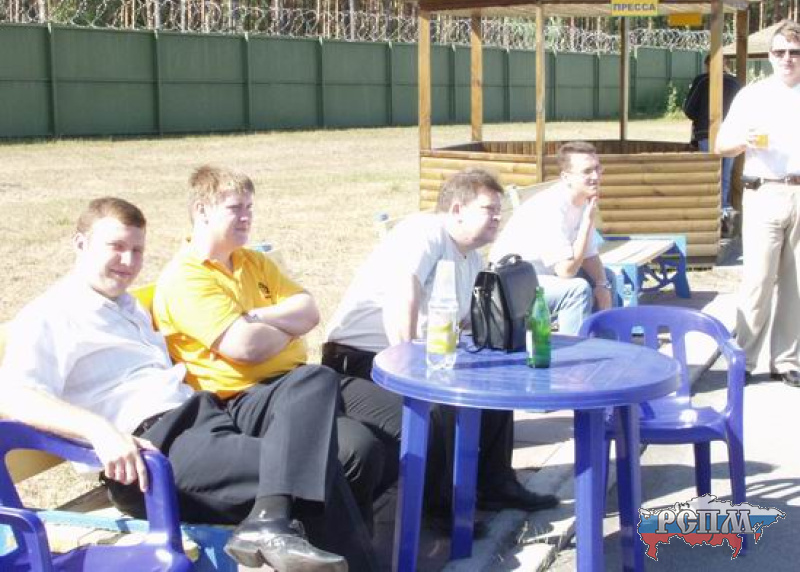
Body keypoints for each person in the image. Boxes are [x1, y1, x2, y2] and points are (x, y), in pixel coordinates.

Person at [0, 197, 362, 572]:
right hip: (150, 454)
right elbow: (16, 396)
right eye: (116, 247)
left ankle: (269, 523)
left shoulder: (127, 305)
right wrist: (100, 431)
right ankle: (282, 530)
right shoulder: (51, 313)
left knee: (316, 383)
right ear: (80, 243)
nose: (128, 261)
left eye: (137, 250)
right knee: (321, 471)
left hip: (203, 419)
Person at [152, 166, 401, 546]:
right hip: (246, 398)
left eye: (249, 207)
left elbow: (309, 311)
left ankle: (386, 524)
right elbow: (245, 348)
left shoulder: (253, 261)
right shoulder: (187, 276)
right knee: (357, 450)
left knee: (406, 419)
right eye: (235, 208)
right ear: (202, 210)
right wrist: (288, 328)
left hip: (302, 383)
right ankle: (337, 546)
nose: (246, 217)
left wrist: (257, 317)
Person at [323, 168, 560, 517]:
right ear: (457, 210)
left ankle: (496, 484)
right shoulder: (425, 232)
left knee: (492, 381)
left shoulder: (471, 257)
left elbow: (461, 321)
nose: (497, 217)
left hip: (418, 352)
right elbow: (403, 295)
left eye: (499, 210)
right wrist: (411, 371)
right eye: (489, 209)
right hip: (362, 359)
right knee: (438, 404)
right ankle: (441, 509)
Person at [716, 20, 800, 389]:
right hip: (763, 191)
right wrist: (742, 140)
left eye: (794, 52)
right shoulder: (753, 95)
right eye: (780, 52)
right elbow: (720, 146)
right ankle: (744, 360)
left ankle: (787, 361)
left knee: (796, 284)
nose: (787, 59)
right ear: (769, 55)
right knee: (758, 280)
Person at [489, 141, 613, 335]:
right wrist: (587, 223)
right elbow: (566, 271)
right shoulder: (552, 207)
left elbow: (588, 255)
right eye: (587, 171)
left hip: (541, 277)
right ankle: (574, 351)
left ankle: (607, 347)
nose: (595, 177)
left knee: (606, 278)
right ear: (566, 177)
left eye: (598, 169)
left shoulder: (582, 201)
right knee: (577, 290)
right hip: (509, 284)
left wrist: (602, 285)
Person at [682, 55, 741, 219]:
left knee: (709, 172)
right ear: (726, 65)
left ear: (707, 65)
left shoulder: (701, 81)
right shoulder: (736, 83)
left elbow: (689, 109)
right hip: (732, 134)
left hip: (705, 133)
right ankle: (724, 209)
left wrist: (701, 117)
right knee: (725, 175)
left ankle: (708, 209)